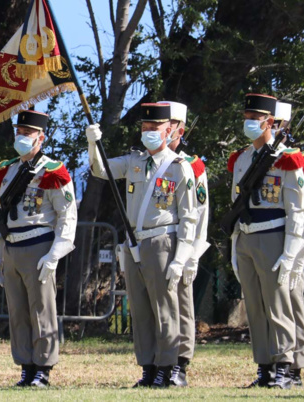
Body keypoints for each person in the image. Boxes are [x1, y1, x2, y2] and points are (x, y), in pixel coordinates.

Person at [86, 103, 197, 388]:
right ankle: (148, 367)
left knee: (165, 308)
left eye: (154, 128)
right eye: (145, 128)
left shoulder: (179, 167)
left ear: (169, 130)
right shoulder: (134, 161)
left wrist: (181, 257)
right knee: (141, 309)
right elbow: (101, 170)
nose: (148, 132)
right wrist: (92, 142)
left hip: (163, 240)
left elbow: (189, 217)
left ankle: (168, 367)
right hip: (135, 241)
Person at [227, 93, 304, 389]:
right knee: (255, 307)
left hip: (274, 235)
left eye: (254, 119)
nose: (248, 123)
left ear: (269, 122)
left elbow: (297, 211)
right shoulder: (242, 158)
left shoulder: (287, 160)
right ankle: (265, 368)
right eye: (246, 118)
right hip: (247, 237)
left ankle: (286, 367)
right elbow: (237, 201)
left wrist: (291, 254)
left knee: (278, 305)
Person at [0, 110, 77, 387]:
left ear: (41, 137)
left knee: (41, 311)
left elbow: (67, 214)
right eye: (19, 132)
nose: (22, 137)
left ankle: (43, 367)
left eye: (28, 133)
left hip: (39, 244)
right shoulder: (8, 169)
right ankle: (26, 365)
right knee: (17, 312)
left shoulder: (52, 171)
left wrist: (56, 253)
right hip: (12, 245)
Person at [159, 101, 210, 387]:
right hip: (157, 242)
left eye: (168, 125)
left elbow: (200, 213)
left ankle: (180, 363)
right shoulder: (150, 162)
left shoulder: (192, 165)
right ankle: (159, 362)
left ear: (179, 129)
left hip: (183, 241)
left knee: (181, 305)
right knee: (160, 307)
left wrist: (192, 256)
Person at [274, 101, 304, 387]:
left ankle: (296, 366)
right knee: (275, 307)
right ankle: (275, 364)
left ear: (283, 127)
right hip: (266, 239)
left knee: (292, 303)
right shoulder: (254, 158)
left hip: (293, 242)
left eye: (274, 123)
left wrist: (300, 252)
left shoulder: (298, 160)